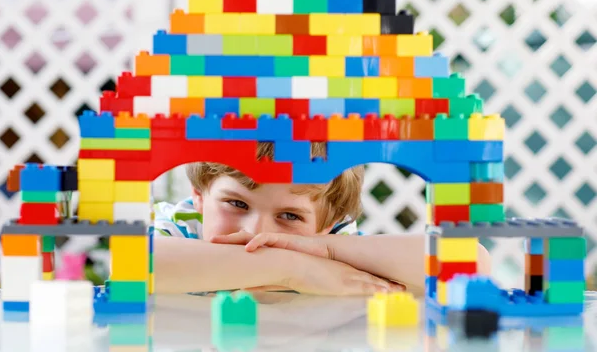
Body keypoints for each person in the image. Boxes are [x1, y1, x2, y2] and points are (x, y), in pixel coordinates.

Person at [153, 142, 491, 296]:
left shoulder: (329, 244)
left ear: (328, 224)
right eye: (236, 203)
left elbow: (471, 264)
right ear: (199, 197)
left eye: (289, 215)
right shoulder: (185, 225)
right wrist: (296, 269)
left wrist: (326, 250)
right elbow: (139, 262)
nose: (256, 231)